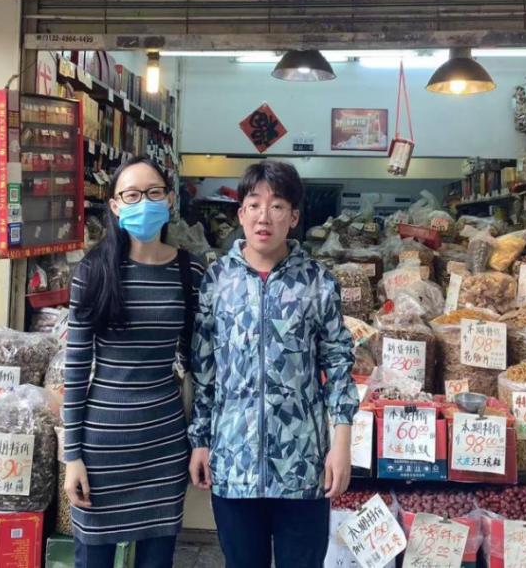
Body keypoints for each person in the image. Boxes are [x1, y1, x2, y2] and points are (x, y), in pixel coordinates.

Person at [188, 160, 359, 568]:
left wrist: (341, 444)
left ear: (294, 217)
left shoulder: (318, 282)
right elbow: (205, 367)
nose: (264, 216)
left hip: (302, 464)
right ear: (240, 213)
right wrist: (200, 441)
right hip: (234, 462)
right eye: (254, 204)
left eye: (278, 205)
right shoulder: (217, 280)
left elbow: (338, 363)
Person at [63, 157, 203, 568]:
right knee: (93, 559)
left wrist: (202, 438)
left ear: (169, 199)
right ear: (115, 205)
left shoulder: (189, 270)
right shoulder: (93, 271)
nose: (144, 202)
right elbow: (76, 368)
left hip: (164, 445)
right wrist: (72, 456)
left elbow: (199, 360)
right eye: (132, 194)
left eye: (153, 192)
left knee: (157, 561)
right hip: (102, 446)